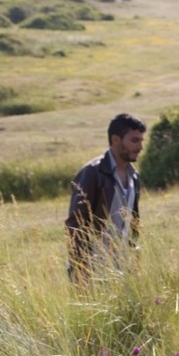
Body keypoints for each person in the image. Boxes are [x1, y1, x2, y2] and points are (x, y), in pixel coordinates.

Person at [65, 113, 146, 284]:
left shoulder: (134, 176)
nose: (140, 147)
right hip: (93, 267)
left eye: (141, 140)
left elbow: (133, 224)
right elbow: (76, 223)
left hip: (123, 267)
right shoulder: (92, 172)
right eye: (134, 140)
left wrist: (134, 258)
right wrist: (80, 266)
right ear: (116, 140)